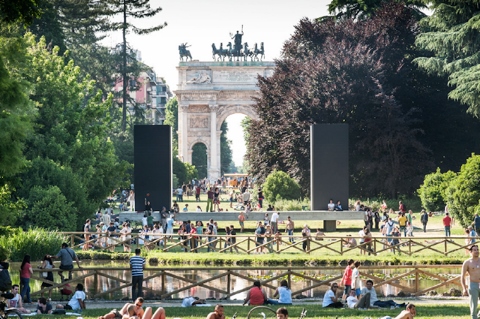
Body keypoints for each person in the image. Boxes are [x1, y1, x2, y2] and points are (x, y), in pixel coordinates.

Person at [462, 244, 480, 319]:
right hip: (473, 285)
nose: (477, 251)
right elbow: (462, 276)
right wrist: (464, 288)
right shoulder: (467, 262)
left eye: (477, 250)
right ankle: (474, 317)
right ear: (471, 252)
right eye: (475, 250)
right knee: (474, 304)